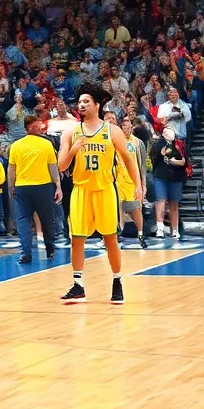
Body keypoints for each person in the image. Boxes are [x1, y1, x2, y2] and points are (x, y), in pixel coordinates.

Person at [57, 84, 140, 306]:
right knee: (77, 238)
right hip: (80, 190)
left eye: (86, 102)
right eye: (80, 102)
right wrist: (74, 149)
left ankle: (117, 281)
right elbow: (62, 164)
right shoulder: (70, 132)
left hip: (104, 189)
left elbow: (128, 160)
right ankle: (78, 285)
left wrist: (137, 185)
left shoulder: (112, 131)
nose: (81, 105)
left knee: (110, 238)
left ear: (97, 104)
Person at [7, 115, 62, 265]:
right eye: (37, 125)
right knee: (47, 220)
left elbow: (11, 171)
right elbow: (53, 167)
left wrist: (11, 187)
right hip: (43, 188)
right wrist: (58, 186)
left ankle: (26, 254)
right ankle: (50, 248)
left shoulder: (16, 146)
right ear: (31, 127)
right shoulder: (46, 144)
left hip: (23, 188)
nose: (39, 127)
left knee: (23, 220)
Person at [115, 116, 149, 250]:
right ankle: (117, 236)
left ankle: (140, 235)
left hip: (132, 182)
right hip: (117, 180)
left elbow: (142, 166)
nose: (126, 129)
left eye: (129, 127)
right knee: (118, 211)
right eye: (124, 127)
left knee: (136, 210)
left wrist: (143, 184)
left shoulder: (137, 143)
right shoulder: (115, 142)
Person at [149, 127, 187, 240]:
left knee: (174, 203)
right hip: (161, 176)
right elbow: (159, 154)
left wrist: (174, 162)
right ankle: (160, 228)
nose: (168, 132)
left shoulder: (180, 145)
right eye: (165, 131)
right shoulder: (158, 144)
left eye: (170, 130)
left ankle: (175, 230)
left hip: (176, 177)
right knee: (160, 200)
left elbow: (184, 161)